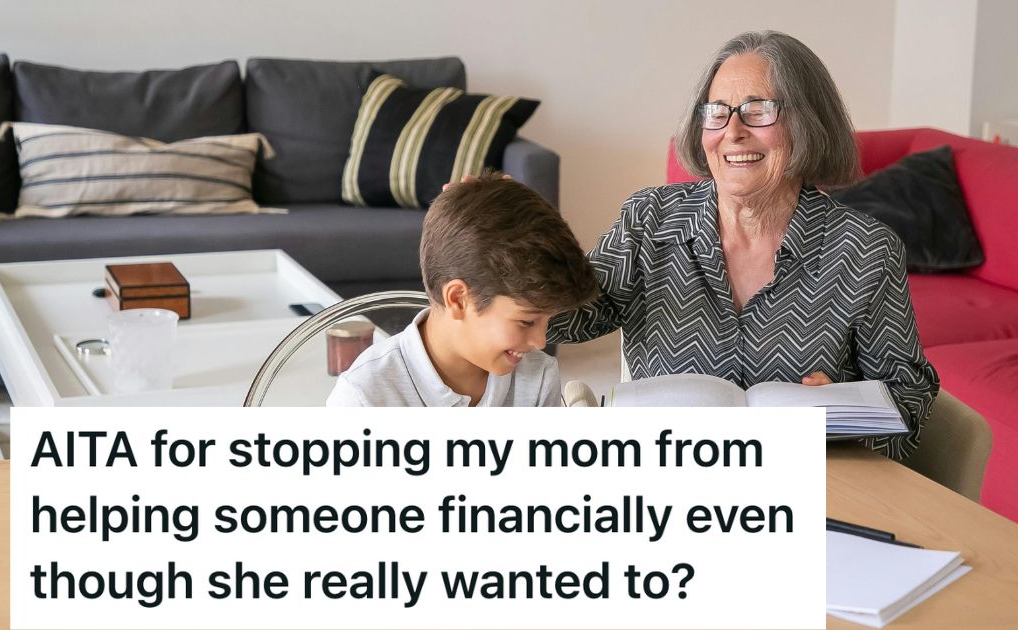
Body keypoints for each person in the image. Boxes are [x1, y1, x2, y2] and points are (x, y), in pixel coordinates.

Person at [547, 31, 938, 458]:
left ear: (807, 123)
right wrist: (499, 246)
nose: (732, 131)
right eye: (717, 112)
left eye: (757, 111)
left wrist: (848, 415)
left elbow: (909, 396)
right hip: (665, 476)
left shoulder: (866, 248)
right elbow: (566, 319)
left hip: (805, 487)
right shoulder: (651, 219)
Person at [327, 172, 598, 407]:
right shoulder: (364, 396)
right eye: (527, 321)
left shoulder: (538, 378)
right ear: (457, 299)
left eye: (546, 321)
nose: (541, 341)